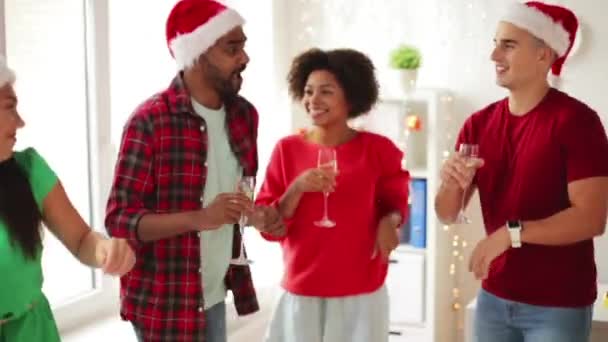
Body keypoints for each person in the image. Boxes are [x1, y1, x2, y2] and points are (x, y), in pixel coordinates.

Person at [104, 0, 283, 341]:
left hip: (215, 291)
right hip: (165, 302)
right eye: (233, 48)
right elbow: (119, 219)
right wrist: (200, 217)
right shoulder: (150, 121)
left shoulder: (245, 115)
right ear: (198, 53)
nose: (244, 58)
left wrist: (256, 216)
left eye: (243, 46)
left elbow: (238, 196)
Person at [434, 2, 608, 341]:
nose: (494, 55)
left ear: (544, 55)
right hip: (493, 300)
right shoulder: (478, 125)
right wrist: (450, 183)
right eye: (495, 42)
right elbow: (446, 213)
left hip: (557, 305)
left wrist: (510, 233)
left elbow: (591, 219)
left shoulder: (577, 122)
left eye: (508, 45)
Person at [255, 48, 410, 342]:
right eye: (309, 91)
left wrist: (390, 220)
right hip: (302, 291)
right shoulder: (286, 150)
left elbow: (396, 202)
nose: (313, 100)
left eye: (326, 91)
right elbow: (270, 226)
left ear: (350, 97)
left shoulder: (378, 150)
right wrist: (298, 187)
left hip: (360, 293)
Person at [0, 56, 135, 342]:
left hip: (33, 333)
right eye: (10, 107)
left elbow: (82, 239)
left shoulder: (30, 171)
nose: (20, 122)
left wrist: (105, 249)